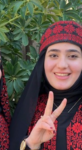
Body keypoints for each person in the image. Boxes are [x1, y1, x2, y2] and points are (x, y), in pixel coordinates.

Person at [9, 20, 82, 150]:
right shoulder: (29, 110)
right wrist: (32, 144)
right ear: (43, 61)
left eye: (72, 56)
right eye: (53, 55)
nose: (62, 65)